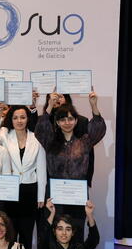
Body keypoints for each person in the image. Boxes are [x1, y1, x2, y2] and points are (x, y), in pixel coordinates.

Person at [35, 91, 105, 225]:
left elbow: (98, 129)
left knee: (76, 231)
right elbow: (41, 129)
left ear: (76, 120)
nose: (67, 122)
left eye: (70, 118)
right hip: (55, 195)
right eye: (63, 119)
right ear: (57, 122)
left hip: (77, 195)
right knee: (54, 231)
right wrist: (49, 105)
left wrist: (94, 105)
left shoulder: (84, 141)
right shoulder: (50, 141)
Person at [0, 106, 46, 249]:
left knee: (26, 232)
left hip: (30, 190)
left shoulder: (36, 138)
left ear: (28, 119)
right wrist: (1, 123)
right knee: (9, 232)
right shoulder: (5, 136)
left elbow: (42, 169)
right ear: (10, 120)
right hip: (9, 191)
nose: (19, 121)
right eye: (15, 117)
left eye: (23, 117)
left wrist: (41, 195)